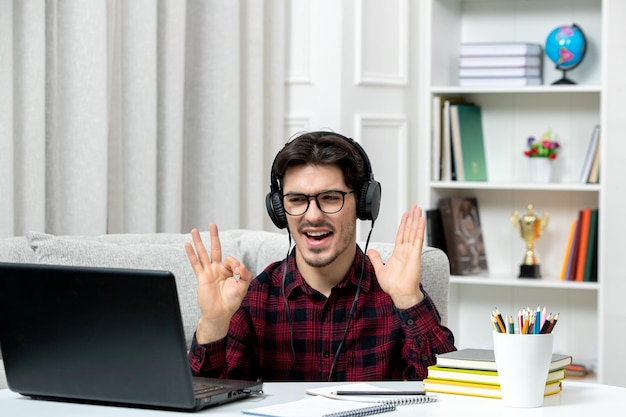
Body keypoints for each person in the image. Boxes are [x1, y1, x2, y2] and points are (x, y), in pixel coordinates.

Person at [185, 131, 456, 382]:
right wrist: (214, 323)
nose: (312, 216)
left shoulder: (395, 293)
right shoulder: (256, 298)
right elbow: (206, 401)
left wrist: (409, 300)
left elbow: (450, 395)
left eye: (329, 197)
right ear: (279, 209)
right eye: (297, 200)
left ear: (363, 205)